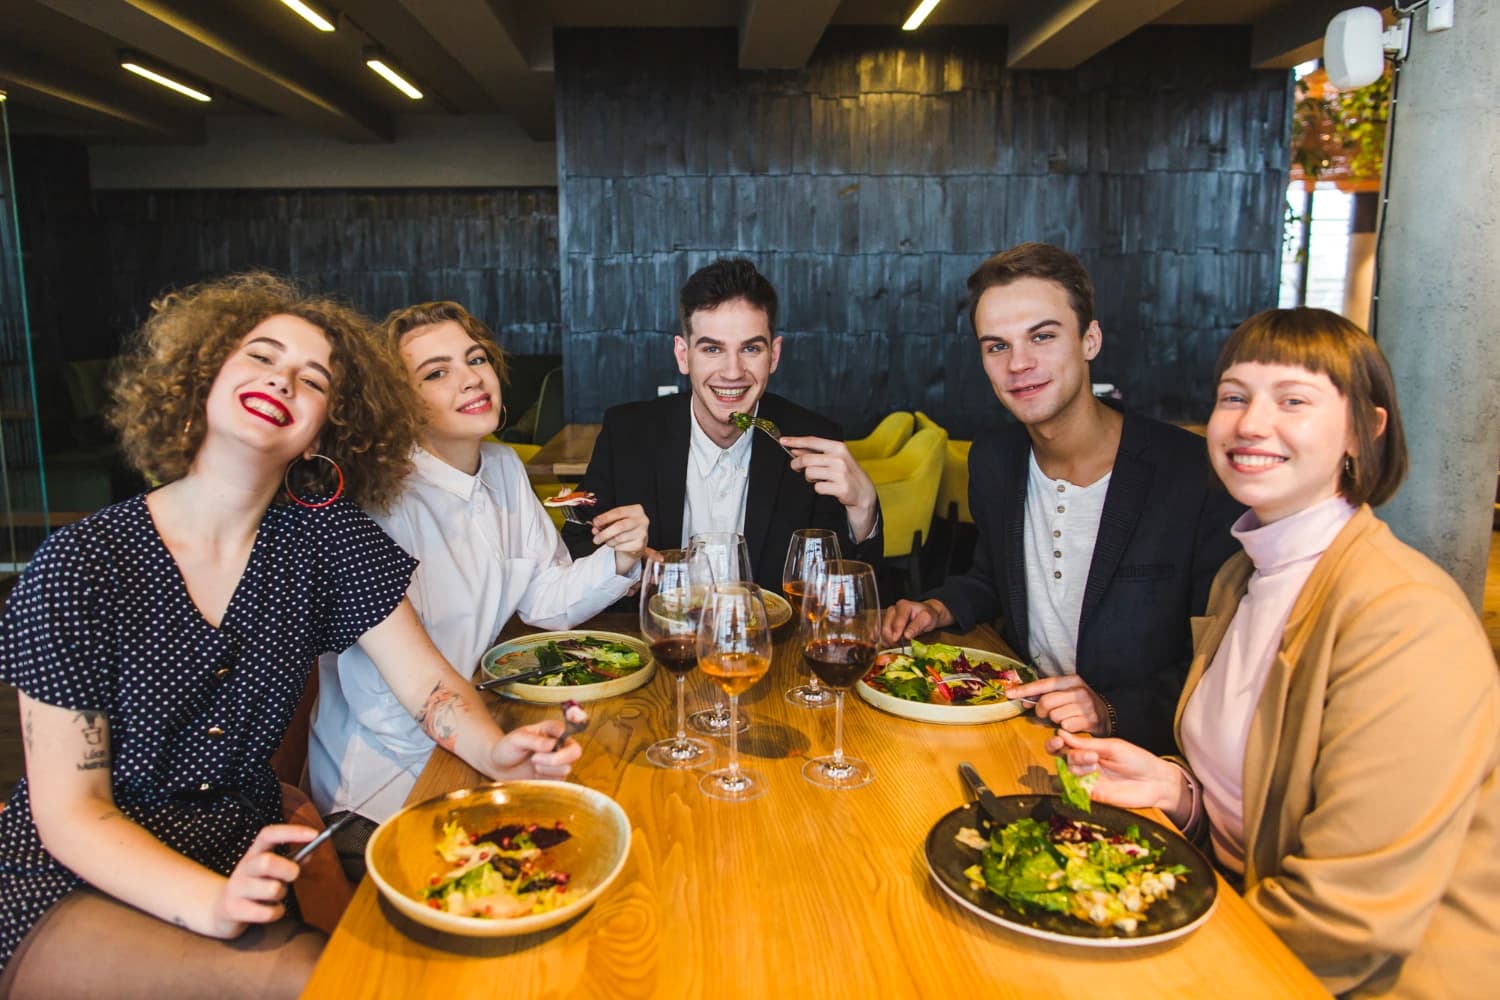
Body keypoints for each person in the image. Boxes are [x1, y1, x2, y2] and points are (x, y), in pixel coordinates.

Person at [0, 275, 584, 999]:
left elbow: (428, 685)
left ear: (327, 425)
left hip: (248, 859)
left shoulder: (324, 537)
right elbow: (70, 811)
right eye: (261, 357)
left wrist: (496, 750)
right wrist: (210, 902)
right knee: (320, 981)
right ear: (203, 375)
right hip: (83, 877)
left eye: (313, 379)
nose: (284, 381)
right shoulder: (81, 564)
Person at [1051, 308, 1499, 998]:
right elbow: (1259, 809)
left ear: (1363, 430)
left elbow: (1348, 919)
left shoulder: (1406, 617)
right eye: (1235, 396)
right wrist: (1180, 793)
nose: (1252, 423)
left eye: (1293, 400)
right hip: (1239, 923)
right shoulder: (1245, 575)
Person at [309, 301, 648, 872]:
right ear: (398, 404)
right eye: (436, 373)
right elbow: (382, 704)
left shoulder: (503, 468)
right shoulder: (380, 503)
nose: (470, 378)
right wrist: (484, 757)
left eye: (475, 359)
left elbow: (546, 601)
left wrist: (621, 557)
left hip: (470, 735)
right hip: (381, 791)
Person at [882, 243, 1241, 754]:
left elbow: (1224, 659)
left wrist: (1110, 710)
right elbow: (995, 577)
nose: (1019, 364)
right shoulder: (996, 460)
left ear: (1089, 339)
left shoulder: (1193, 474)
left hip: (1147, 758)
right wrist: (939, 607)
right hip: (1023, 730)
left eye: (1042, 336)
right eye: (996, 346)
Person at [563, 257, 882, 590]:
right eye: (713, 348)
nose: (732, 372)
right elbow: (578, 542)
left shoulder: (814, 440)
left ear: (773, 355)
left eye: (750, 349)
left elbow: (848, 595)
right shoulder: (626, 432)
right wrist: (626, 568)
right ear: (683, 355)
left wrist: (864, 510)